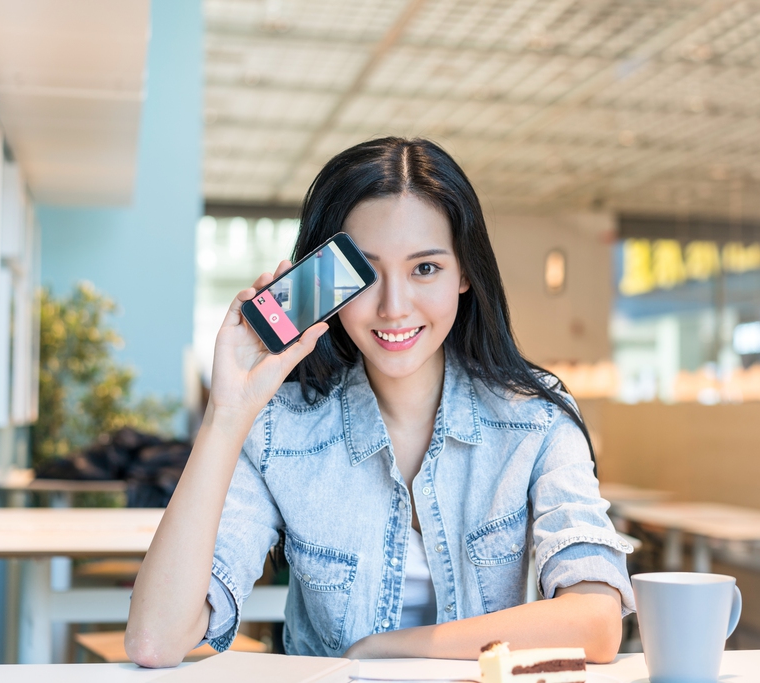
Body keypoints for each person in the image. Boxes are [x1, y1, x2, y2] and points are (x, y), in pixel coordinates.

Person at [125, 138, 634, 667]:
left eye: (425, 269)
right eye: (366, 273)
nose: (394, 307)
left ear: (465, 274)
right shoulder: (281, 430)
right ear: (329, 281)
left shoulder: (536, 418)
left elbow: (595, 623)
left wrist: (387, 650)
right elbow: (156, 641)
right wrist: (225, 416)